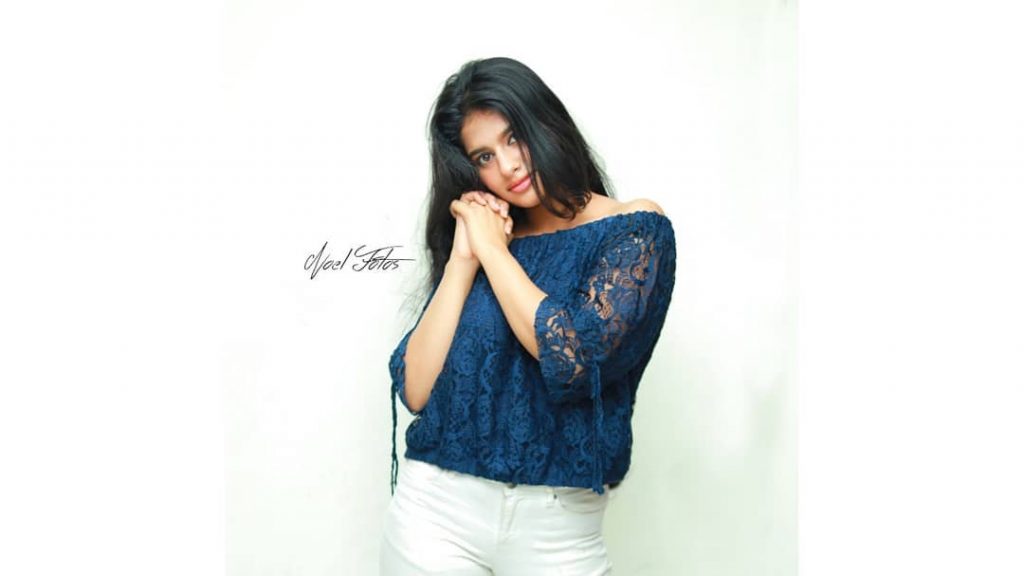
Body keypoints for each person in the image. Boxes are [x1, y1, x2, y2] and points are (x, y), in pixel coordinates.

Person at [379, 56, 677, 575]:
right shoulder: (486, 234)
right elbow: (415, 389)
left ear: (546, 122)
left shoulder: (633, 229)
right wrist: (464, 258)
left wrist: (494, 253)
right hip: (435, 513)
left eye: (514, 138)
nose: (508, 166)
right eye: (484, 156)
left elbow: (575, 356)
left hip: (559, 529)